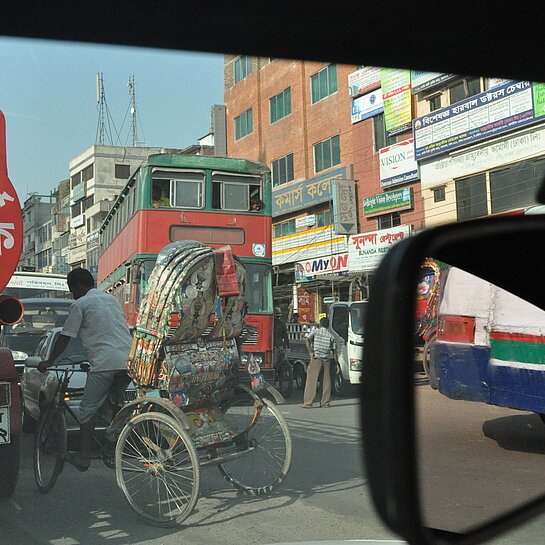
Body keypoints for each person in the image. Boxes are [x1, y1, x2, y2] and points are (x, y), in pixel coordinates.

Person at [38, 268, 132, 472]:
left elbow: (65, 337)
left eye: (72, 291)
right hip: (128, 362)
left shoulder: (80, 304)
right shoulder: (111, 301)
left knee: (87, 410)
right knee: (114, 405)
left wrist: (49, 360)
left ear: (78, 287)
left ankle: (83, 457)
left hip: (104, 364)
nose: (73, 295)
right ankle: (114, 442)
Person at [302, 316, 338, 408]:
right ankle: (325, 402)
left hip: (316, 358)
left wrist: (310, 352)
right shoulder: (331, 336)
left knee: (311, 381)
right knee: (326, 382)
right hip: (326, 360)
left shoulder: (315, 332)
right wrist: (337, 364)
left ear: (320, 324)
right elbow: (334, 351)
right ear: (328, 326)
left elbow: (307, 340)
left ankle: (308, 403)